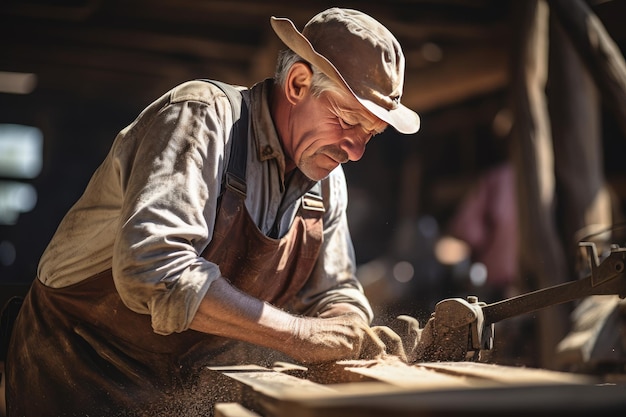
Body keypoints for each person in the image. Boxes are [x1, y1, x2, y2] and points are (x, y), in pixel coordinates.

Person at [5, 7, 421, 417]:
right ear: (297, 83)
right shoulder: (200, 118)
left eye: (370, 133)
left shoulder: (326, 177)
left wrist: (346, 328)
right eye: (347, 120)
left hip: (189, 389)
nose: (356, 150)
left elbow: (334, 290)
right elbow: (156, 271)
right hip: (82, 372)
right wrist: (303, 335)